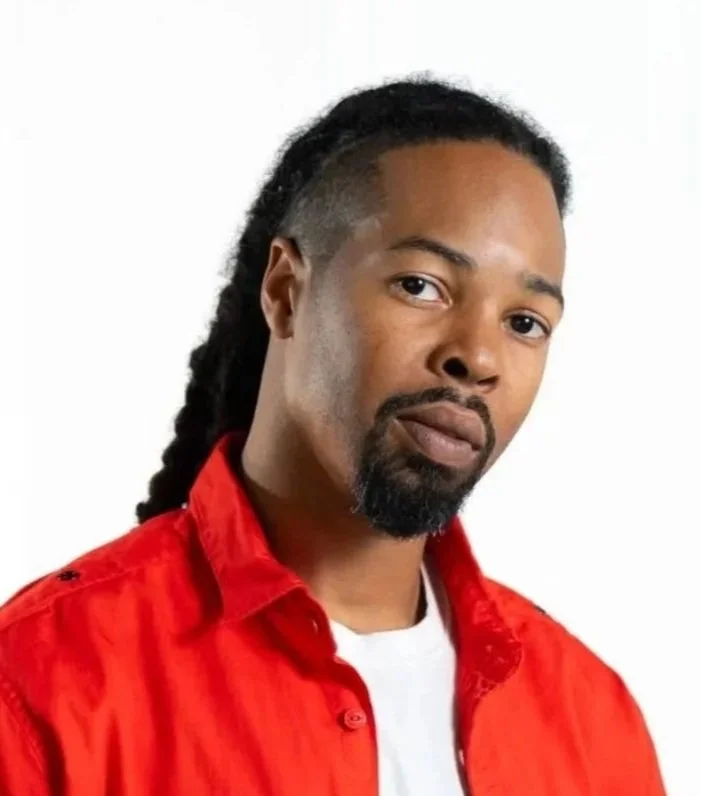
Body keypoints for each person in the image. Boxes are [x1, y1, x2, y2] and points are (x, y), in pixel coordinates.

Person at [0, 77, 666, 795]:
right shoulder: (42, 681)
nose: (476, 358)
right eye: (422, 285)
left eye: (524, 323)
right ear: (286, 290)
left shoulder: (591, 716)